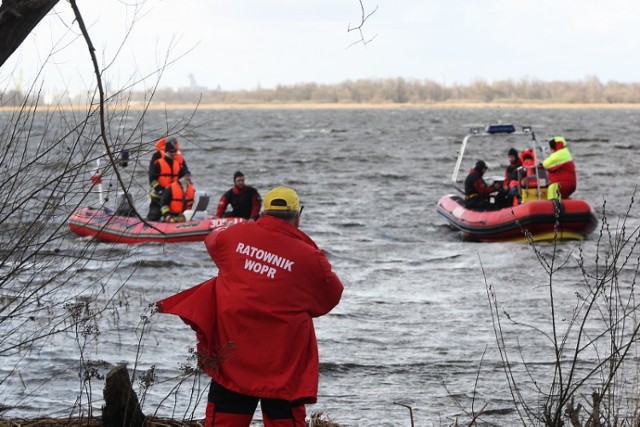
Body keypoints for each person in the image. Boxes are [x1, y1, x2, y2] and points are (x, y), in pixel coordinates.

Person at [156, 186, 344, 427]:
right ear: (298, 216)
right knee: (284, 420)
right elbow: (330, 297)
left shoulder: (235, 236)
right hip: (283, 361)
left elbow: (213, 241)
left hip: (234, 354)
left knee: (225, 420)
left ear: (263, 213)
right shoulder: (311, 258)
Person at [147, 139, 189, 221]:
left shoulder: (177, 165)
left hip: (172, 195)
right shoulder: (158, 163)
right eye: (170, 151)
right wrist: (160, 190)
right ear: (166, 151)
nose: (173, 153)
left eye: (174, 151)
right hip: (158, 196)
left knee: (175, 216)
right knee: (154, 215)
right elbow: (152, 179)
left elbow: (184, 177)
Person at [540, 136, 576, 200]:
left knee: (553, 188)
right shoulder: (564, 153)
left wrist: (541, 165)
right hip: (566, 183)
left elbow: (546, 164)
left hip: (565, 184)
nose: (550, 150)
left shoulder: (561, 154)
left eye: (551, 148)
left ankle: (555, 207)